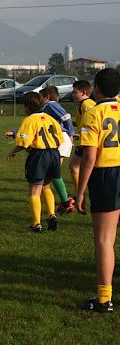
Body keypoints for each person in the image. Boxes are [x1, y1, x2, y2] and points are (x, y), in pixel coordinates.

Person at [76, 68, 120, 313]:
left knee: (104, 240)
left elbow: (90, 157)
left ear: (97, 88)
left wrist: (80, 191)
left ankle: (104, 299)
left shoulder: (94, 114)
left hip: (107, 173)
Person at [7, 92, 63, 233]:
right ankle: (52, 215)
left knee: (34, 190)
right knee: (47, 187)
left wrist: (13, 151)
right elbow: (60, 138)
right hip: (54, 153)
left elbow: (24, 143)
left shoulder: (29, 120)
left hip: (40, 155)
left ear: (27, 107)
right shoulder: (50, 118)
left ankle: (36, 224)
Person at [39, 86, 75, 214]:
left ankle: (67, 202)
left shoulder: (50, 105)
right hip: (60, 139)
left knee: (53, 172)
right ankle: (66, 201)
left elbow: (66, 117)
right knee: (53, 172)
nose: (40, 100)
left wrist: (70, 134)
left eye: (41, 97)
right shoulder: (48, 107)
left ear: (47, 97)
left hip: (61, 139)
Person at [69, 80, 96, 197]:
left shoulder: (87, 104)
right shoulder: (83, 104)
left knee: (74, 165)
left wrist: (81, 135)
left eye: (75, 92)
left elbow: (92, 122)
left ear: (84, 92)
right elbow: (82, 123)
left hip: (88, 140)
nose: (72, 95)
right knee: (75, 165)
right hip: (84, 139)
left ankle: (80, 193)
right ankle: (80, 192)